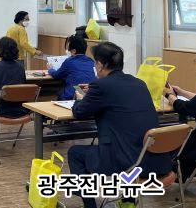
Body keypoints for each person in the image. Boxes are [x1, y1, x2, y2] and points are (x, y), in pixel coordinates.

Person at [68, 42, 172, 208]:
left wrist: (81, 98)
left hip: (126, 164)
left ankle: (90, 206)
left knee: (75, 153)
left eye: (95, 63)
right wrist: (93, 93)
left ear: (100, 65)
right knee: (128, 141)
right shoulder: (139, 83)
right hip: (156, 163)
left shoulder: (100, 86)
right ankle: (128, 203)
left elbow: (79, 112)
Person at [163, 57, 196, 181]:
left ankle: (175, 174)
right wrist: (181, 92)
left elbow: (184, 108)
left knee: (176, 149)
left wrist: (169, 95)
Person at [47, 35, 96, 100]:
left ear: (74, 51)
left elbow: (56, 75)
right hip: (88, 96)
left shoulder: (69, 61)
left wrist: (50, 69)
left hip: (72, 96)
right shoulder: (91, 61)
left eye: (68, 49)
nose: (67, 51)